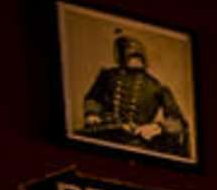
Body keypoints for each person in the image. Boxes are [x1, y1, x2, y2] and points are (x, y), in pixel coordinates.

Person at [77, 31, 191, 160]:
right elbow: (93, 98)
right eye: (130, 55)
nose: (135, 60)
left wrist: (158, 127)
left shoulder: (155, 85)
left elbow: (178, 122)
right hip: (105, 131)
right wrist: (92, 114)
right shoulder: (108, 76)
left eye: (137, 56)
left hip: (136, 139)